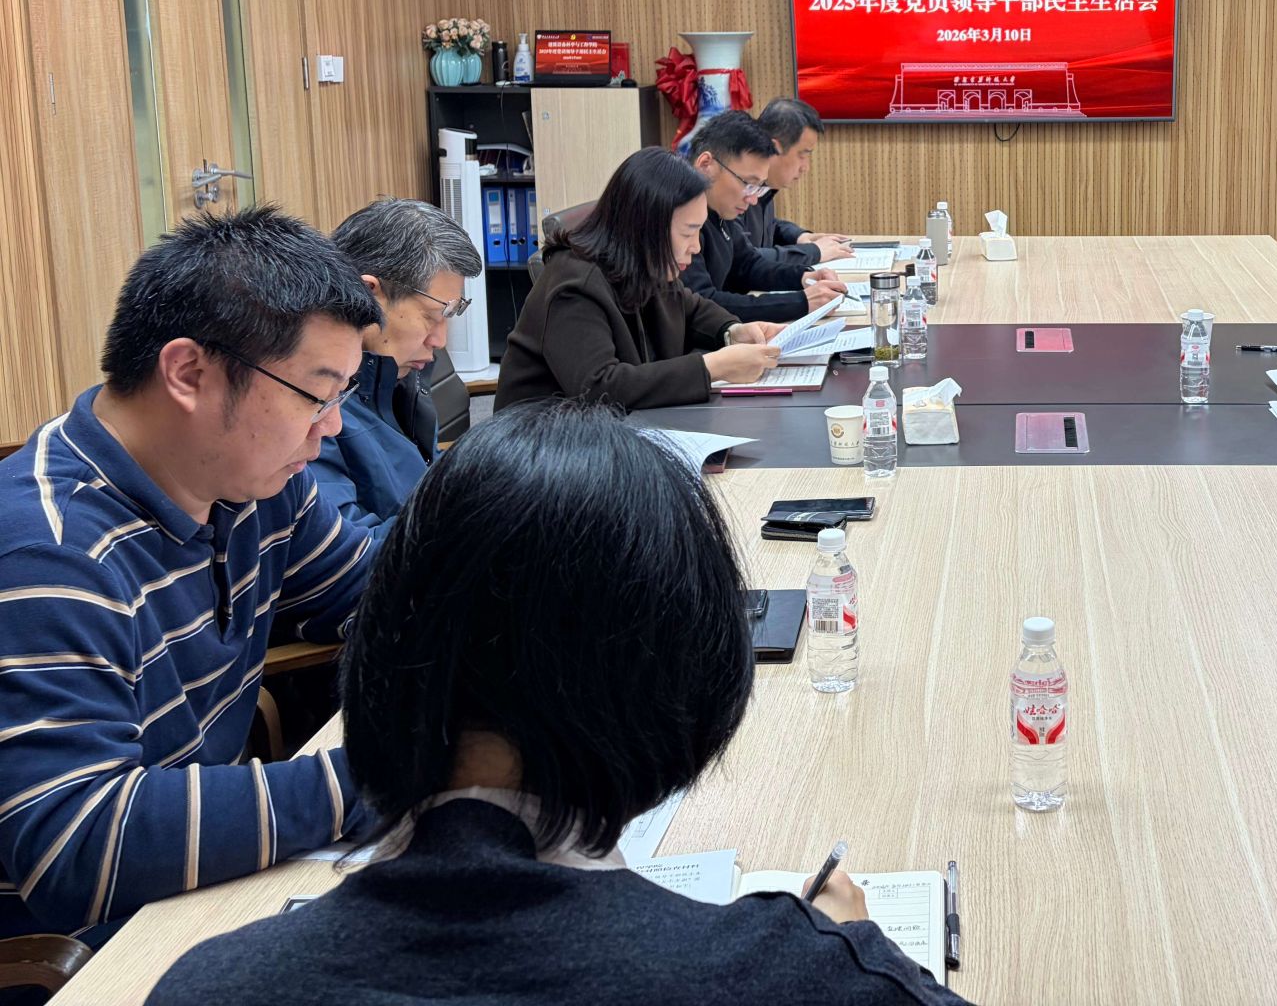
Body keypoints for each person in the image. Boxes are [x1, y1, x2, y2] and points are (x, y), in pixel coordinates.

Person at [146, 402, 969, 1006]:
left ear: (385, 658)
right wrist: (856, 951)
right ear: (686, 684)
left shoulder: (208, 987)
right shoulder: (796, 976)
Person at [0, 209, 383, 946]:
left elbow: (378, 594)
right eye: (317, 394)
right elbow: (79, 845)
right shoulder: (49, 554)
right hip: (88, 952)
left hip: (198, 895)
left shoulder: (257, 491)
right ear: (188, 373)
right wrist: (380, 778)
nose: (331, 427)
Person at [495, 149, 782, 412]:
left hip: (614, 432)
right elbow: (599, 388)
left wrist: (732, 331)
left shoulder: (645, 264)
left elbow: (690, 308)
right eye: (687, 233)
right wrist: (712, 367)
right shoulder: (574, 284)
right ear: (646, 229)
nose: (696, 246)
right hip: (540, 440)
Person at [315, 198, 483, 528]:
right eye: (432, 316)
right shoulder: (313, 402)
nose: (439, 340)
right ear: (368, 293)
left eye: (449, 315)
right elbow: (345, 547)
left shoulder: (395, 375)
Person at [682, 110, 844, 325]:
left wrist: (804, 277)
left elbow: (747, 265)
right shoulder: (677, 214)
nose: (753, 200)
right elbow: (702, 304)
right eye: (748, 184)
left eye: (758, 187)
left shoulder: (720, 209)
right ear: (706, 165)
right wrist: (801, 302)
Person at [748, 97, 854, 265]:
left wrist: (800, 236)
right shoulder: (737, 190)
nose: (806, 168)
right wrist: (814, 252)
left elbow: (767, 228)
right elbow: (744, 259)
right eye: (802, 155)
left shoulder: (764, 186)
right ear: (774, 147)